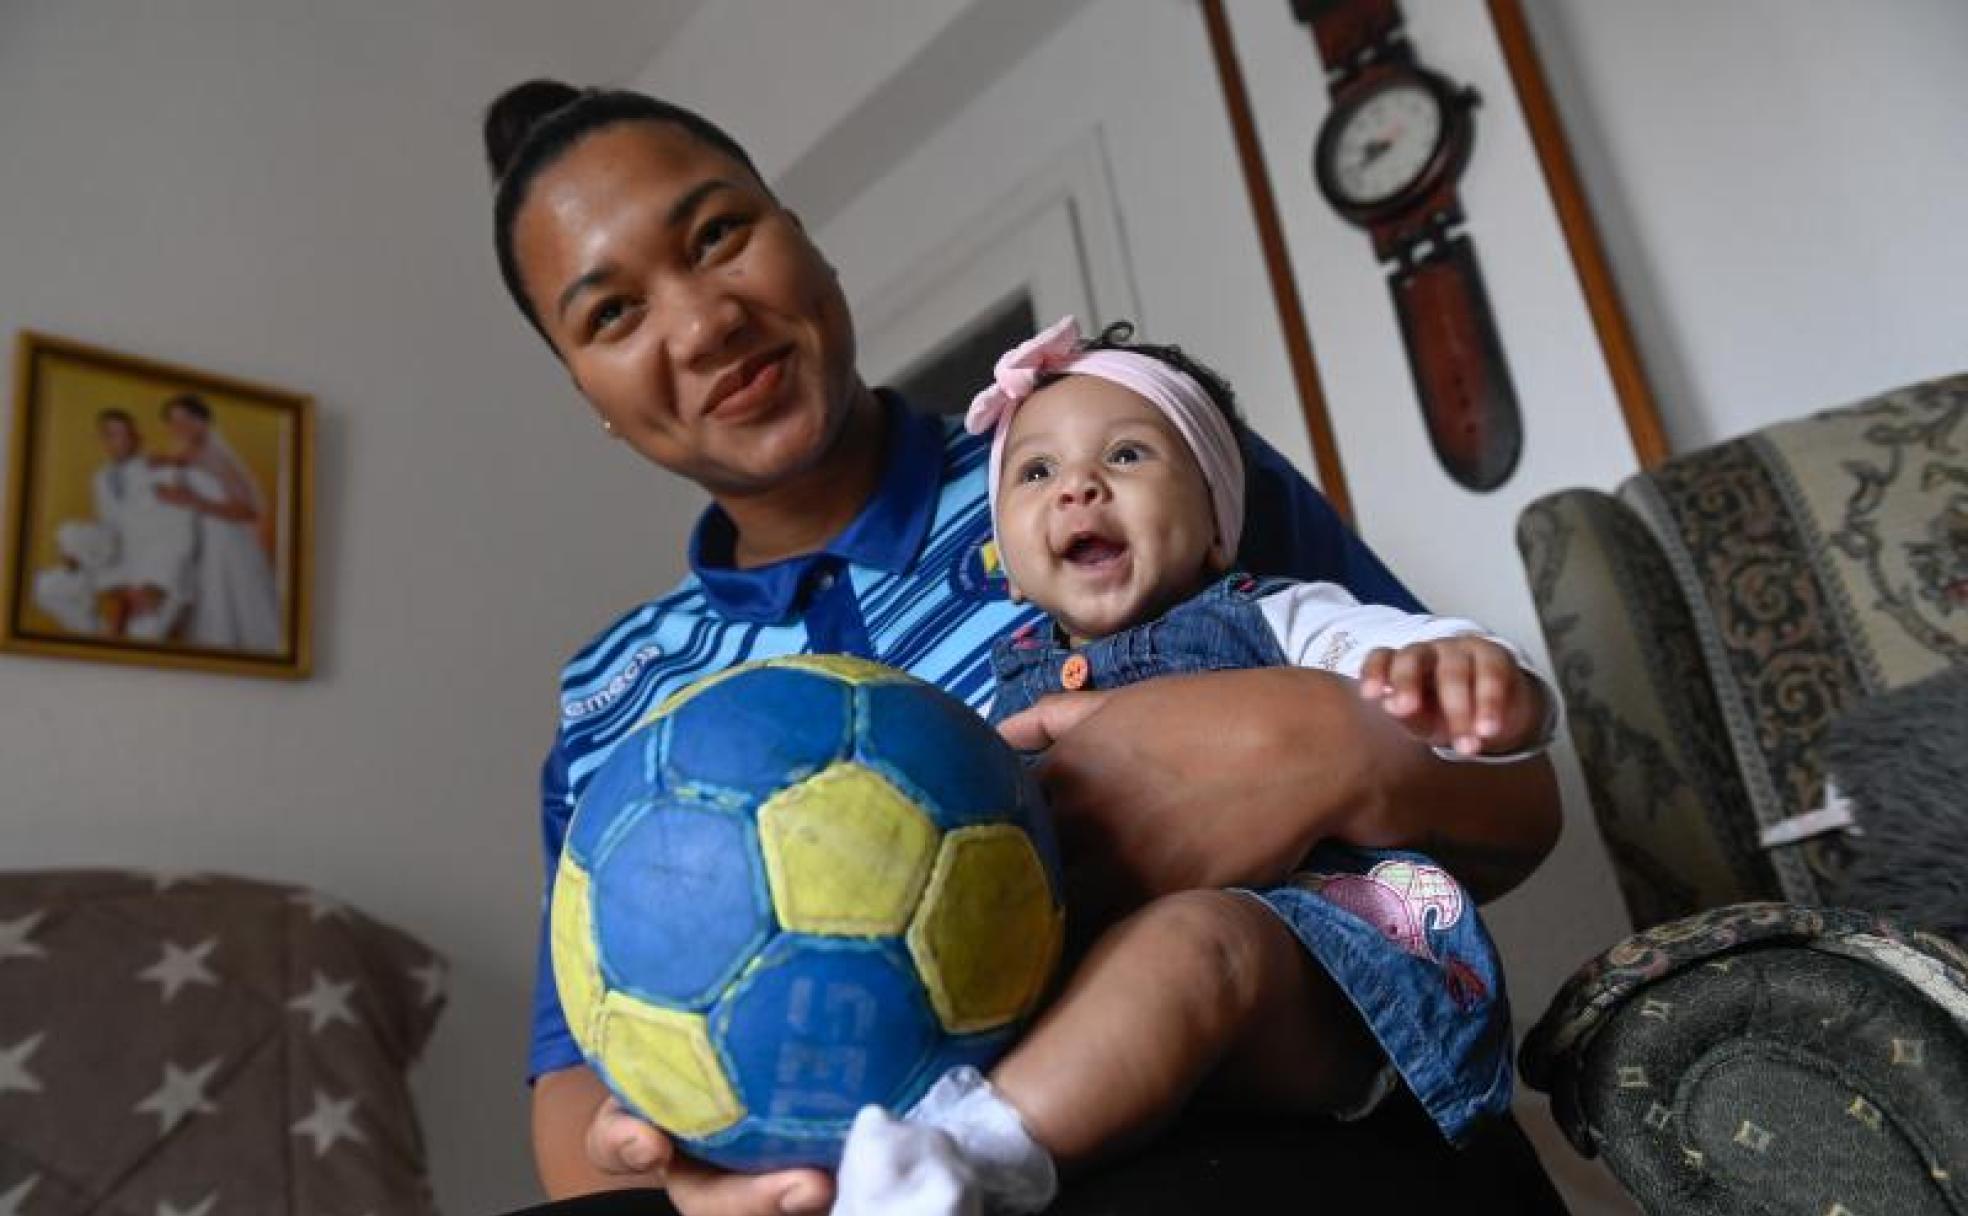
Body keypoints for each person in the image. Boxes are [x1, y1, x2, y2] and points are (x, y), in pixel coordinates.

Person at [481, 80, 1561, 1216]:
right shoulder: (613, 700)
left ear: (802, 237)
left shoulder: (1120, 461)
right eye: (611, 314)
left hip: (1237, 1117)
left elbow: (1517, 800)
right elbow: (577, 1115)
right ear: (586, 392)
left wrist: (1328, 744)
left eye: (719, 234)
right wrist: (686, 1178)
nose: (704, 324)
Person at [824, 316, 1559, 1213]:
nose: (1079, 487)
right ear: (1008, 571)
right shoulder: (995, 705)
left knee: (1191, 941)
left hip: (1310, 969)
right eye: (1036, 471)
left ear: (1218, 525)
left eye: (1127, 456)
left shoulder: (1279, 617)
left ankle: (968, 1161)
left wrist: (1480, 681)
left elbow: (1420, 663)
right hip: (1114, 1025)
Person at [152, 393, 283, 653]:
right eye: (174, 421)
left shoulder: (217, 456)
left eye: (187, 419)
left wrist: (193, 500)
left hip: (227, 544)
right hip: (197, 543)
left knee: (233, 610)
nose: (180, 427)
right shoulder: (184, 455)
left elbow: (249, 510)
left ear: (203, 421)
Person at [88, 407, 200, 640]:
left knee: (144, 642)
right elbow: (110, 533)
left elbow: (184, 532)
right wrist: (119, 586)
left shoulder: (165, 471)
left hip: (162, 582)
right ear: (102, 439)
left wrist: (155, 586)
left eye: (125, 433)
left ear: (137, 436)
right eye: (110, 434)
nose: (118, 440)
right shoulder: (100, 479)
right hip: (124, 583)